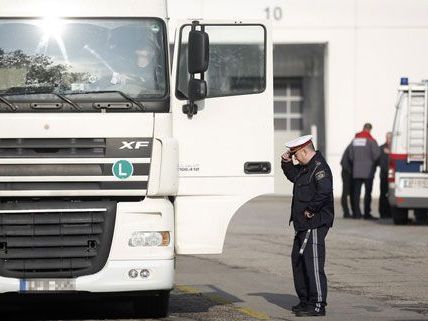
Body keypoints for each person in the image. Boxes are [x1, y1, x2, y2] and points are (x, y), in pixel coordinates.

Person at [281, 135, 334, 317]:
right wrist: (286, 162)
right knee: (298, 260)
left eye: (295, 154)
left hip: (314, 223)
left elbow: (324, 191)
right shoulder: (306, 168)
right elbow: (293, 176)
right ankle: (305, 301)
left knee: (312, 264)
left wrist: (311, 209)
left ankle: (318, 304)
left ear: (305, 150)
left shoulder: (319, 168)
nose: (295, 157)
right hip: (302, 224)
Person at [348, 123, 380, 219]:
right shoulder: (371, 141)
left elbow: (350, 156)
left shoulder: (355, 140)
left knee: (356, 193)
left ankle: (357, 214)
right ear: (369, 129)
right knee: (367, 193)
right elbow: (377, 155)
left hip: (356, 171)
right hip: (368, 171)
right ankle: (366, 214)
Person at [378, 132, 392, 218]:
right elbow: (380, 162)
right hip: (384, 174)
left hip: (392, 175)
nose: (388, 140)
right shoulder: (381, 148)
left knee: (391, 194)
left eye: (390, 138)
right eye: (387, 138)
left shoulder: (395, 148)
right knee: (383, 194)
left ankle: (390, 213)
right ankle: (383, 213)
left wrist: (389, 153)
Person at [340, 143, 353, 218]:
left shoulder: (351, 145)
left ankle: (348, 212)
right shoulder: (352, 146)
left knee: (347, 191)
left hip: (346, 170)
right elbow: (352, 158)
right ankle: (346, 212)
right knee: (346, 191)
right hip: (347, 171)